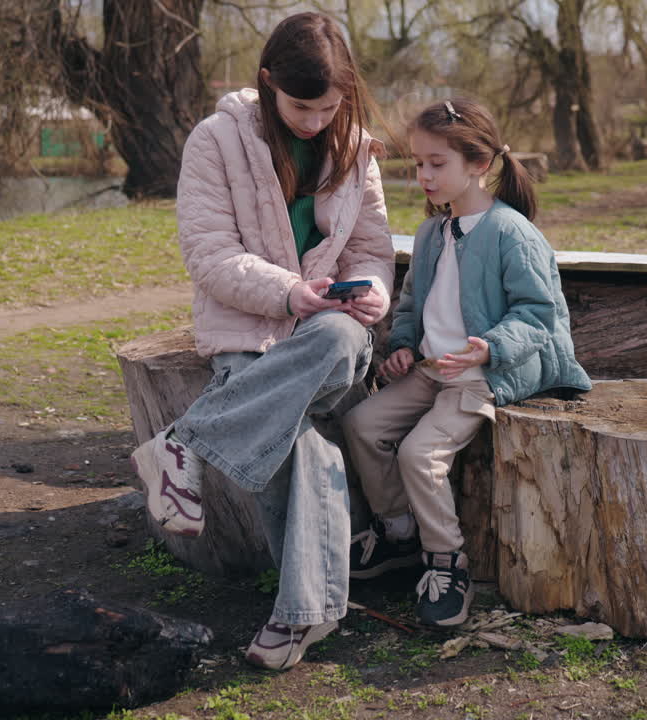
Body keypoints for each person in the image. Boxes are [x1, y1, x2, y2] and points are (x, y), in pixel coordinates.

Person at [128, 12, 394, 671]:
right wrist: (284, 293)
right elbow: (208, 254)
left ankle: (183, 441)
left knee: (334, 340)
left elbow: (372, 250)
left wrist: (375, 291)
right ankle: (304, 614)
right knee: (296, 443)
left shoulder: (357, 148)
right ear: (268, 81)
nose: (314, 121)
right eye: (303, 107)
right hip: (250, 328)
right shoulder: (215, 141)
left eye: (328, 108)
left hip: (330, 331)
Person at [342, 98, 591, 627]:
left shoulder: (511, 233)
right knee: (362, 424)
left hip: (482, 376)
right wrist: (404, 345)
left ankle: (445, 561)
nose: (424, 175)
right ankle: (400, 534)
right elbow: (411, 305)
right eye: (418, 163)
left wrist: (491, 348)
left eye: (437, 164)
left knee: (419, 454)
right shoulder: (433, 233)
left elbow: (538, 313)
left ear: (478, 164)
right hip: (433, 370)